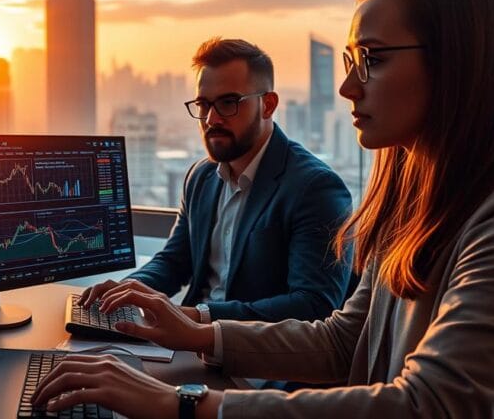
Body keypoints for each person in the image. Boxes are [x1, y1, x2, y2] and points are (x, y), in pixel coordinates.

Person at [33, 0, 494, 419]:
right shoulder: (418, 202)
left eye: (373, 59)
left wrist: (183, 404)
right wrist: (198, 333)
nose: (346, 87)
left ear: (458, 64)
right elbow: (345, 341)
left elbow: (429, 407)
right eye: (349, 60)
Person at [80, 38, 354, 323]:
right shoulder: (201, 177)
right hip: (187, 337)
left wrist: (197, 318)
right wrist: (127, 291)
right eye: (203, 104)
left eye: (228, 103)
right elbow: (174, 262)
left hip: (249, 347)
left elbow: (313, 306)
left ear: (268, 105)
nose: (211, 119)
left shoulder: (315, 188)